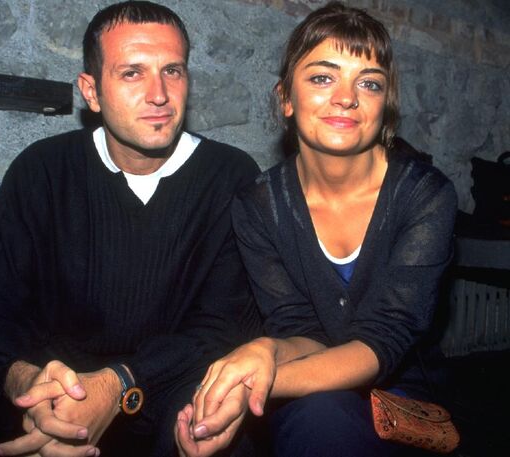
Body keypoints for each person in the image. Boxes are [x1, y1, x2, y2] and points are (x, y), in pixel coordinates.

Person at [0, 2, 261, 456]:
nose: (159, 94)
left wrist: (117, 384)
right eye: (132, 73)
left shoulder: (230, 176)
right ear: (91, 92)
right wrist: (27, 384)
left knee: (223, 437)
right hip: (44, 387)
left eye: (172, 71)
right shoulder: (43, 169)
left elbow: (224, 328)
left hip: (160, 391)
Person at [175, 2, 457, 456]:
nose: (346, 97)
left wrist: (254, 385)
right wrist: (266, 350)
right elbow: (300, 329)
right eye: (323, 78)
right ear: (286, 97)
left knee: (317, 418)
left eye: (369, 83)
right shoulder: (258, 205)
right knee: (314, 416)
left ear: (384, 106)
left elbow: (384, 340)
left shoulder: (425, 195)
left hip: (404, 405)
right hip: (312, 397)